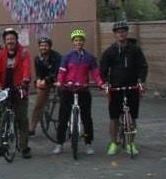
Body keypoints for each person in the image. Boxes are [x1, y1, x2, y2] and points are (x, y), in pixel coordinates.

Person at [53, 29, 105, 155]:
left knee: (87, 118)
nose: (78, 42)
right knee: (63, 117)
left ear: (83, 42)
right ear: (73, 42)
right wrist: (60, 82)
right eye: (76, 40)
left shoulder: (90, 58)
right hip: (68, 90)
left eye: (80, 40)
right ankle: (59, 144)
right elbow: (61, 72)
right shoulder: (67, 57)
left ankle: (88, 143)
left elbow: (96, 73)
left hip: (83, 90)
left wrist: (100, 83)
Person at [100, 21, 148, 156]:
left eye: (123, 31)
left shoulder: (135, 50)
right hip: (115, 88)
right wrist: (106, 83)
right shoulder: (109, 51)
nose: (121, 34)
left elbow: (143, 66)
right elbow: (103, 70)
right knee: (114, 117)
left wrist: (141, 81)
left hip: (132, 87)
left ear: (127, 33)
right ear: (114, 35)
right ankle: (114, 143)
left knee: (132, 117)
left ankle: (131, 143)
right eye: (118, 32)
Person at [0, 28, 32, 159]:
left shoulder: (23, 53)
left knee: (22, 119)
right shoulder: (1, 55)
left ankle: (24, 147)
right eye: (7, 39)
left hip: (19, 88)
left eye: (12, 38)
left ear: (16, 39)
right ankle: (3, 145)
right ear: (5, 41)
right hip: (4, 89)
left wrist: (25, 80)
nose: (10, 41)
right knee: (3, 118)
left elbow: (26, 68)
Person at [29, 36, 61, 136]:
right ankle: (32, 128)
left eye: (46, 45)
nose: (43, 47)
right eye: (41, 45)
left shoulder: (57, 56)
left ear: (50, 46)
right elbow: (38, 73)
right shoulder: (37, 58)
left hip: (57, 80)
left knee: (64, 101)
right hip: (45, 81)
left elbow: (56, 72)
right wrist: (38, 80)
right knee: (38, 105)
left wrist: (46, 80)